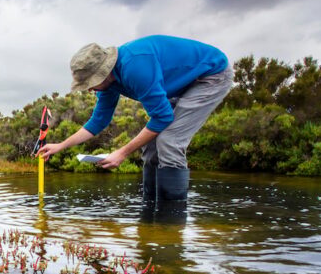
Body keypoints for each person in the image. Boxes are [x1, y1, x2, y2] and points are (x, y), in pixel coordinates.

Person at [37, 35, 233, 202]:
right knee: (151, 146)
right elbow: (98, 121)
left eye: (92, 82)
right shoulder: (109, 84)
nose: (90, 88)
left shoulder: (135, 68)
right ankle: (150, 212)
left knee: (169, 141)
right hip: (181, 84)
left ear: (104, 73)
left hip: (210, 76)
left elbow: (162, 117)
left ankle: (170, 221)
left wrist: (122, 153)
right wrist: (61, 145)